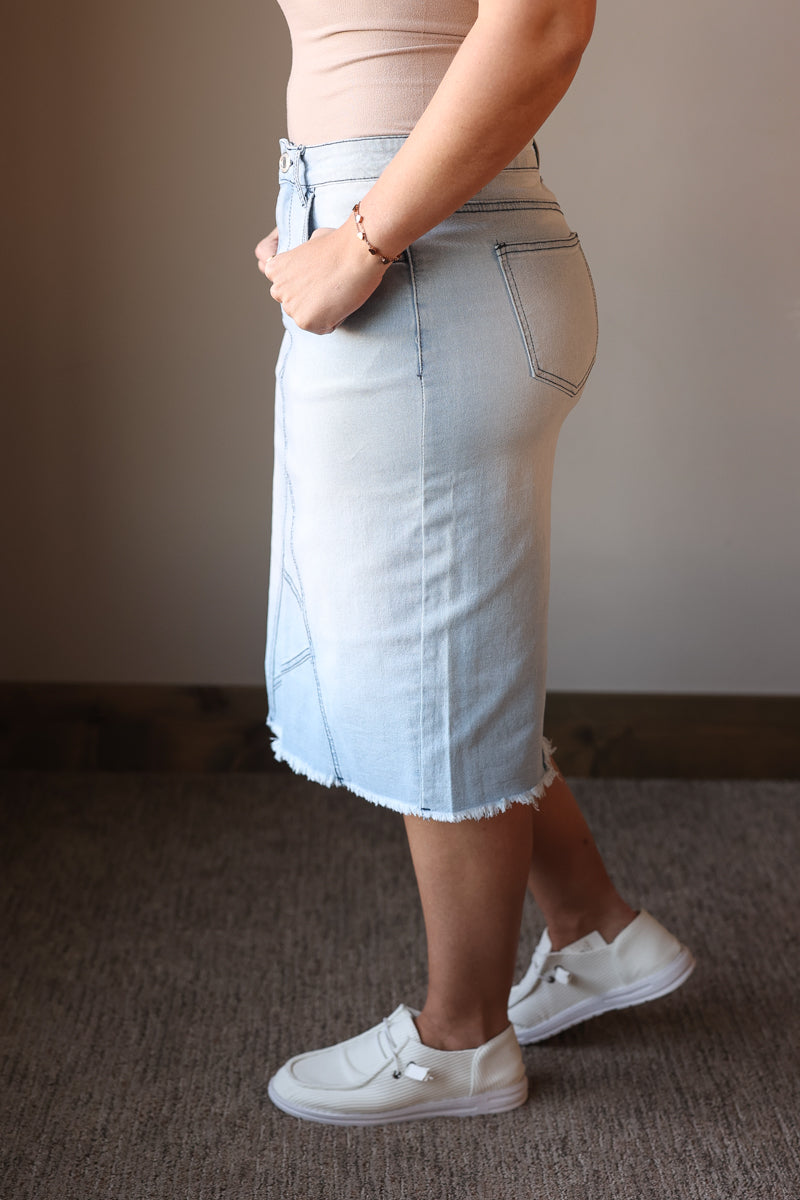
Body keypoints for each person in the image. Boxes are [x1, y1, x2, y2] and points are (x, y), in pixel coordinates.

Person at [255, 0, 694, 1125]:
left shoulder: (386, 240)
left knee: (427, 665)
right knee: (438, 650)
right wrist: (324, 221)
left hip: (422, 256)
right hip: (409, 238)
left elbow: (541, 21)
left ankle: (462, 1037)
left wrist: (357, 237)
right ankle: (594, 926)